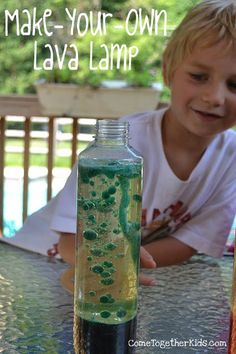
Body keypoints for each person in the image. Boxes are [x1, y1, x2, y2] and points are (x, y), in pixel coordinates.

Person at [3, 0, 236, 285]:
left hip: (107, 278)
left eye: (234, 85)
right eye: (199, 77)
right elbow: (70, 237)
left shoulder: (231, 158)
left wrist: (125, 265)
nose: (215, 96)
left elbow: (191, 242)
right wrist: (118, 265)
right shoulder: (121, 144)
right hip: (37, 262)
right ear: (168, 72)